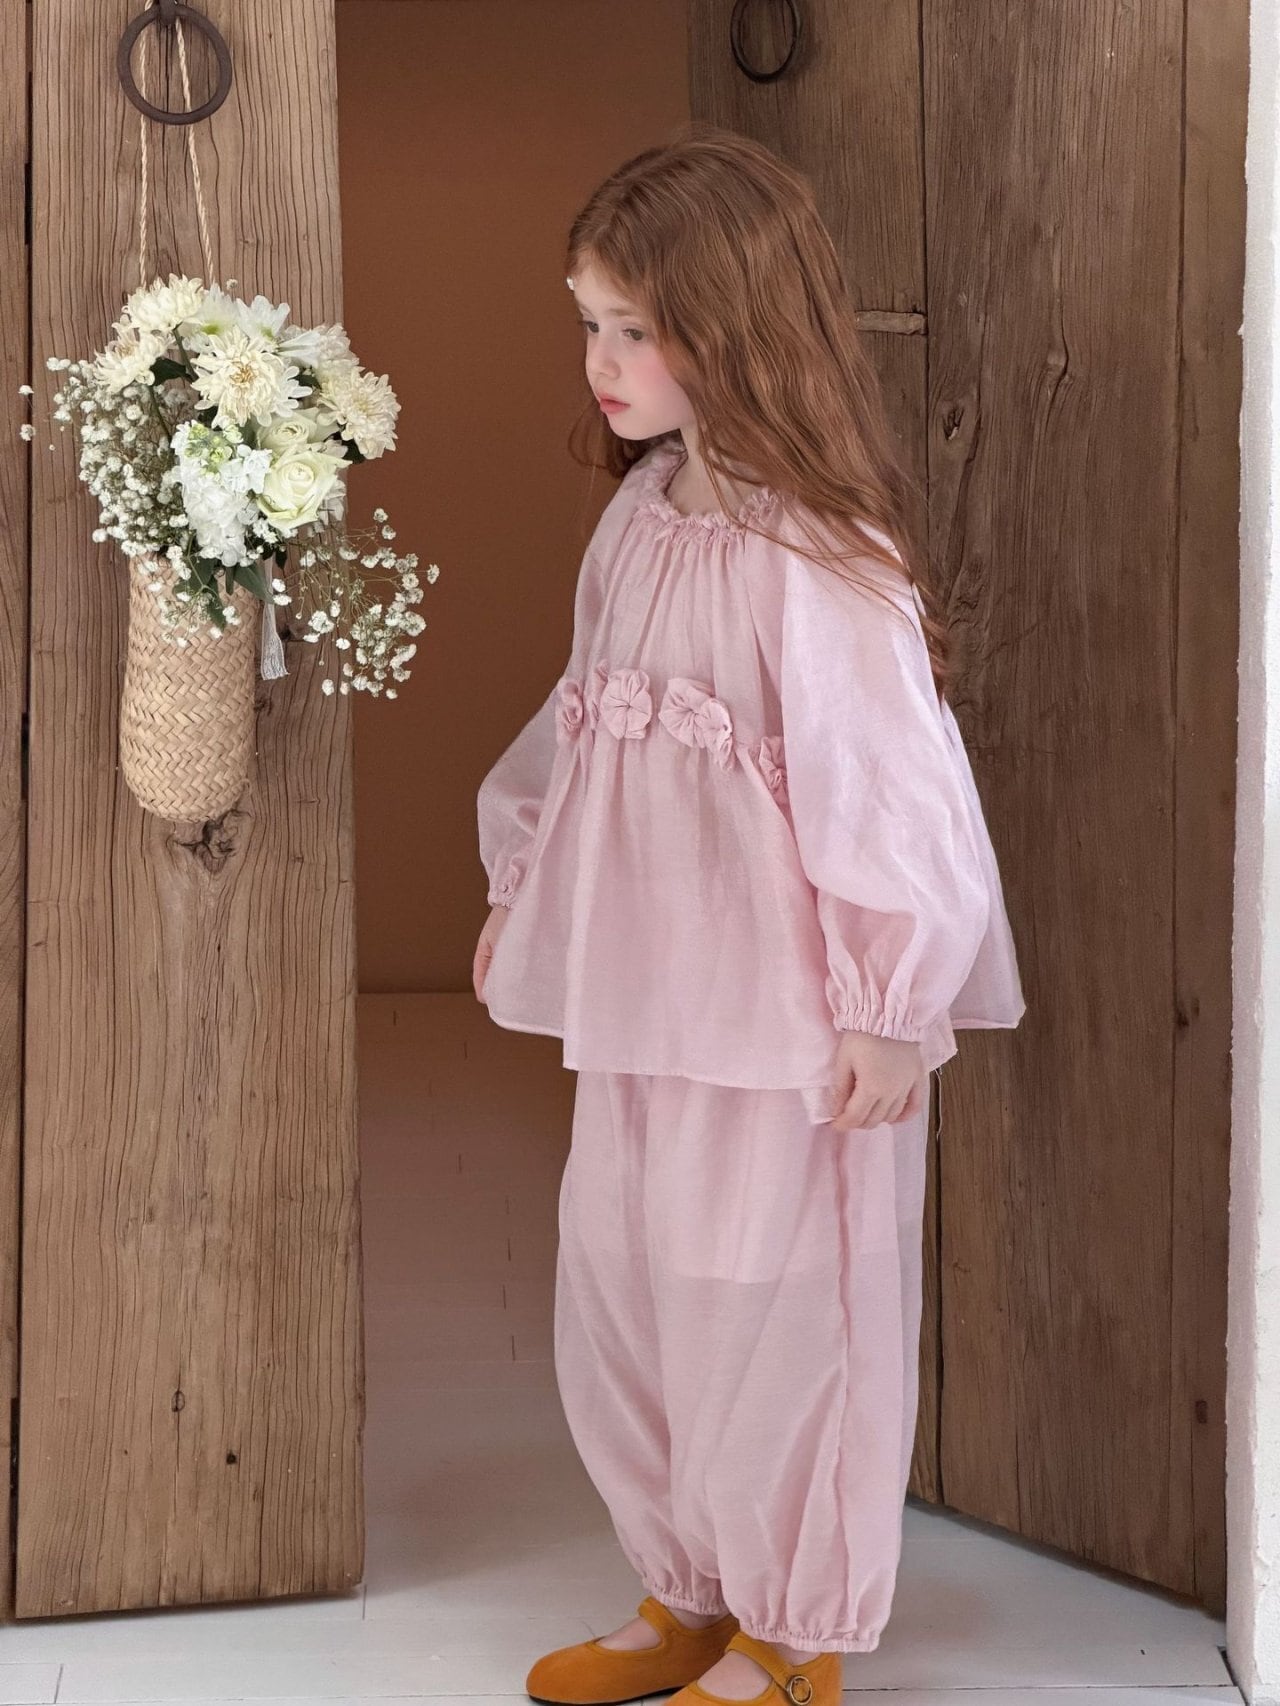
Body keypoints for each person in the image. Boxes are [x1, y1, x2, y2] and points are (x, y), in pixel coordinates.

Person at [472, 124, 1024, 1706]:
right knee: (635, 1275)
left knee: (786, 1299)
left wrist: (887, 1000)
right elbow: (584, 719)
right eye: (588, 322)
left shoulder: (822, 552)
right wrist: (526, 882)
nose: (601, 361)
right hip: (654, 989)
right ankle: (687, 1582)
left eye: (634, 328)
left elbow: (889, 783)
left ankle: (793, 1626)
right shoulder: (643, 516)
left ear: (732, 326)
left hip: (788, 1014)